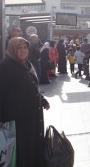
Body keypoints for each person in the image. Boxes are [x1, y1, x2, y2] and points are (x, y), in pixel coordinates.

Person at [0, 37, 50, 167]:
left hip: (32, 117)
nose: (23, 51)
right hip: (18, 119)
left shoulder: (27, 64)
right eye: (19, 48)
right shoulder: (5, 67)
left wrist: (42, 99)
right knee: (22, 151)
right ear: (11, 49)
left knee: (33, 146)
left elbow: (32, 86)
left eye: (25, 47)